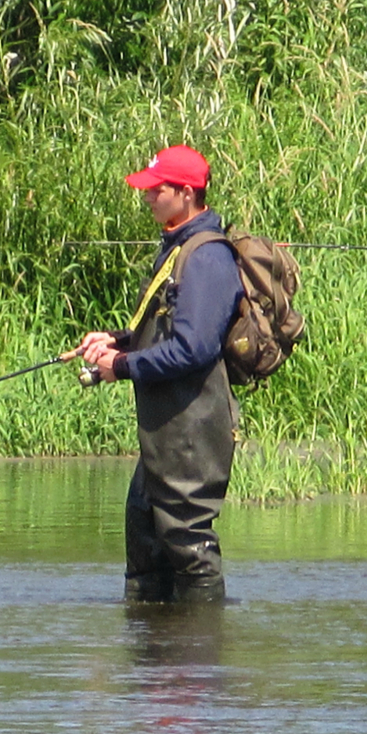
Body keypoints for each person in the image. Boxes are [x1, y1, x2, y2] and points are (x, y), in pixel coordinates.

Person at [74, 144, 244, 602]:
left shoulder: (207, 258)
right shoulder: (177, 247)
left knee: (187, 543)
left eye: (156, 189)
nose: (147, 197)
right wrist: (116, 341)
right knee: (145, 534)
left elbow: (194, 348)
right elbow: (167, 330)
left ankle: (203, 658)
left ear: (186, 194)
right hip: (167, 429)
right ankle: (153, 658)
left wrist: (122, 367)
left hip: (194, 428)